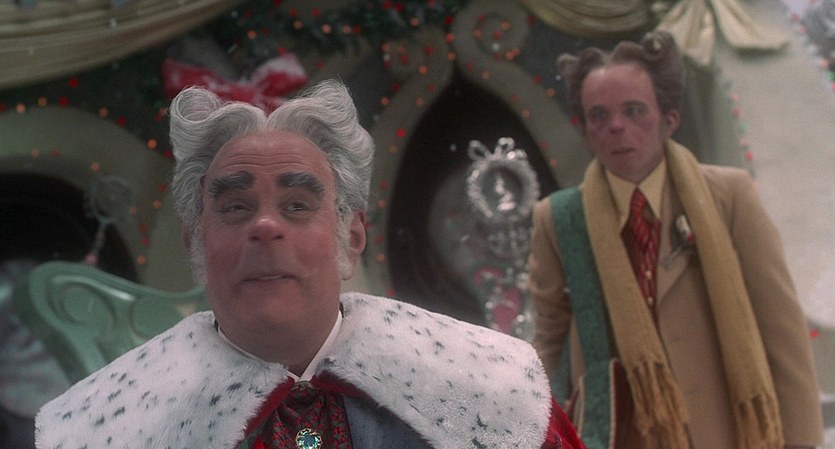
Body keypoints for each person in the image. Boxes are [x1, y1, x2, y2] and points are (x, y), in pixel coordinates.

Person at [34, 80, 585, 449]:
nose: (264, 225)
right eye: (235, 207)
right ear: (195, 241)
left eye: (297, 205)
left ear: (351, 235)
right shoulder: (97, 431)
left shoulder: (496, 390)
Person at [528, 31, 823, 449]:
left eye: (633, 110)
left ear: (669, 119)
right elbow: (548, 342)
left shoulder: (728, 196)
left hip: (726, 433)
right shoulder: (560, 220)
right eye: (599, 115)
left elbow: (781, 330)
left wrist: (801, 441)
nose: (616, 126)